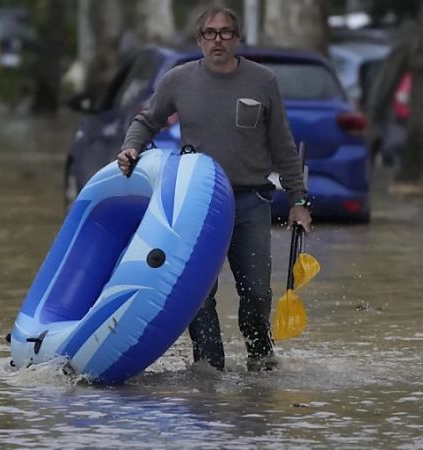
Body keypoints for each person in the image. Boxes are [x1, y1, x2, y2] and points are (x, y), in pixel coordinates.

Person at [116, 6, 312, 372]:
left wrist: (298, 200)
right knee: (198, 295)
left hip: (250, 200)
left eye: (225, 33)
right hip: (198, 204)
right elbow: (147, 121)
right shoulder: (178, 80)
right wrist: (131, 147)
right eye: (210, 33)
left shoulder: (263, 81)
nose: (217, 40)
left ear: (238, 39)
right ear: (199, 40)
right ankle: (208, 367)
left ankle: (260, 360)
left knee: (256, 291)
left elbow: (283, 145)